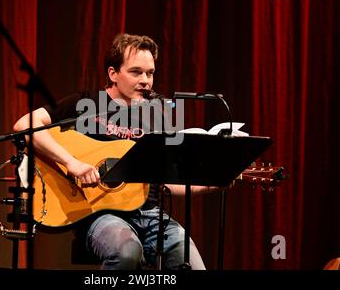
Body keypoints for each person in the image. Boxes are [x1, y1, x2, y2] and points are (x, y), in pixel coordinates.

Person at [13, 33, 208, 270]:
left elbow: (168, 181)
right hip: (98, 214)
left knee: (192, 264)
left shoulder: (158, 116)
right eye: (136, 72)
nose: (146, 80)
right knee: (127, 252)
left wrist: (211, 182)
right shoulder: (85, 104)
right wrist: (71, 162)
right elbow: (24, 126)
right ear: (113, 74)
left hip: (150, 215)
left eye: (150, 73)